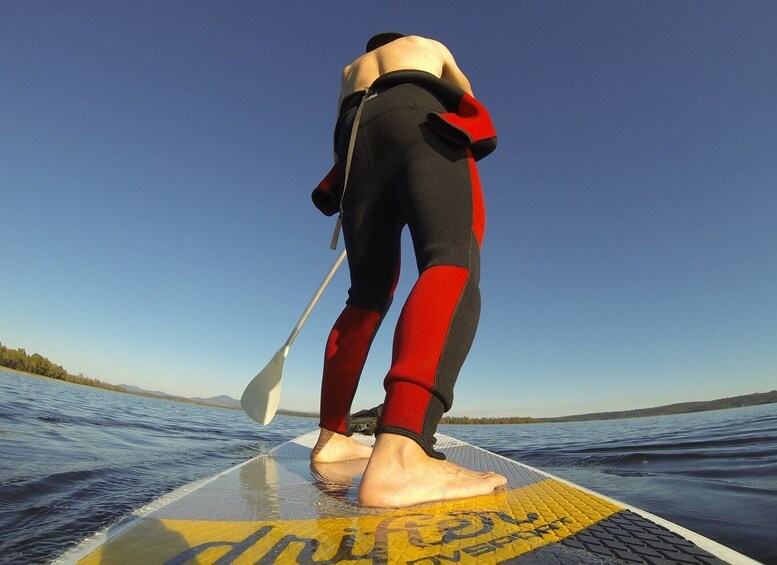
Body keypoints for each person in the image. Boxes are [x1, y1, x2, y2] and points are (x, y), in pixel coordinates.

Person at [309, 33, 506, 508]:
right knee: (451, 258)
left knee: (365, 296)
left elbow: (340, 125)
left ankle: (331, 439)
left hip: (355, 145)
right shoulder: (428, 44)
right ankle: (401, 455)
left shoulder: (349, 70)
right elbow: (468, 96)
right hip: (416, 116)